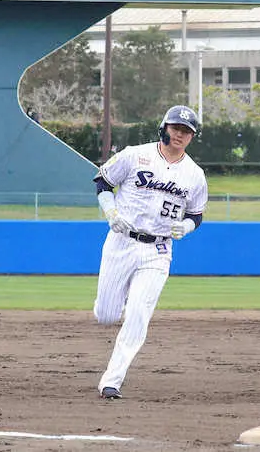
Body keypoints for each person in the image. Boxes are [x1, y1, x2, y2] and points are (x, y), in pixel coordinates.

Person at [91, 104, 209, 400]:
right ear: (164, 128)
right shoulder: (135, 154)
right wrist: (110, 211)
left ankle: (111, 381)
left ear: (192, 137)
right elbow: (103, 180)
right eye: (176, 128)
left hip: (158, 249)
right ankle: (117, 299)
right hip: (121, 242)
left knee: (138, 315)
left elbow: (196, 214)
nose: (180, 134)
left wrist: (188, 227)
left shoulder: (195, 175)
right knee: (106, 315)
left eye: (187, 131)